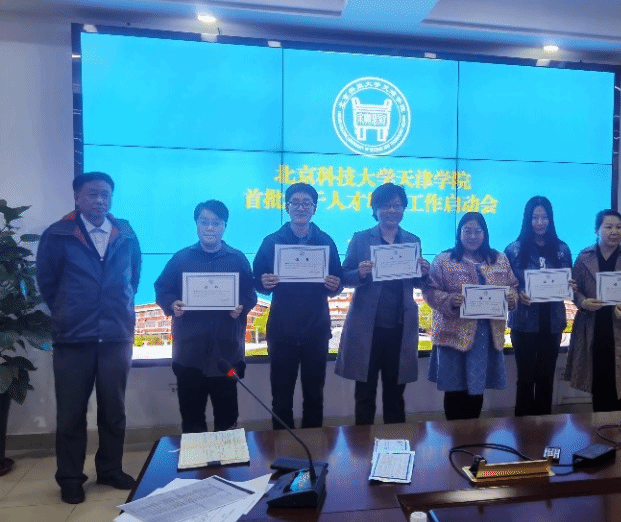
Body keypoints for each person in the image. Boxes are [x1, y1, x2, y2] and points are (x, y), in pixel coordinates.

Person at [36, 171, 142, 504]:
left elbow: (133, 278)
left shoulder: (125, 232)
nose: (99, 200)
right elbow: (47, 283)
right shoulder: (58, 234)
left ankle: (110, 469)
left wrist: (117, 308)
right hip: (73, 338)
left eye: (105, 194)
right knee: (71, 414)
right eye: (92, 194)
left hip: (115, 337)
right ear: (77, 197)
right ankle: (70, 478)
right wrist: (69, 310)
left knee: (114, 410)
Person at [154, 200, 257, 434]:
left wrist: (242, 306)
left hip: (226, 355)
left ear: (224, 226)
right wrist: (172, 303)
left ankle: (229, 458)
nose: (210, 228)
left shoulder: (237, 259)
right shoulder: (181, 258)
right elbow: (162, 289)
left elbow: (250, 294)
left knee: (227, 422)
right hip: (190, 355)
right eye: (204, 222)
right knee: (192, 423)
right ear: (197, 225)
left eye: (216, 223)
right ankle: (195, 459)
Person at [335, 183, 430, 425]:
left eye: (397, 205)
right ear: (375, 209)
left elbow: (417, 282)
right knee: (364, 395)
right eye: (385, 206)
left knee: (395, 396)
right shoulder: (361, 239)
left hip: (400, 328)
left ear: (404, 209)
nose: (391, 211)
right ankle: (363, 444)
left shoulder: (412, 240)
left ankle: (395, 444)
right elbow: (344, 276)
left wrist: (424, 272)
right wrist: (360, 273)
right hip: (367, 328)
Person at [253, 183, 342, 429]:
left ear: (314, 208)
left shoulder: (326, 241)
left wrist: (335, 285)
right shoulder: (272, 242)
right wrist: (263, 282)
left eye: (306, 203)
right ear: (287, 207)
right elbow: (256, 279)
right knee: (281, 398)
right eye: (296, 202)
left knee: (315, 397)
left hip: (316, 330)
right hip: (282, 331)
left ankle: (312, 447)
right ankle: (282, 447)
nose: (301, 207)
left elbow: (338, 280)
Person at [564, 209, 621, 411]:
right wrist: (583, 302)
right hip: (592, 325)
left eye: (618, 227)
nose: (614, 231)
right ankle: (598, 425)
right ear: (597, 230)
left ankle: (618, 425)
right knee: (597, 380)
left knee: (619, 382)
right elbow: (573, 288)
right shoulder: (584, 257)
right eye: (608, 227)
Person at [426, 212, 519, 420]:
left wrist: (512, 297)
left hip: (484, 337)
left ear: (485, 234)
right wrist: (450, 300)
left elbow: (512, 285)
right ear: (459, 233)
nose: (473, 236)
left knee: (477, 390)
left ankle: (472, 434)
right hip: (453, 336)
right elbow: (430, 291)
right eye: (467, 231)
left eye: (478, 231)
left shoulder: (499, 259)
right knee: (454, 392)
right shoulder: (443, 260)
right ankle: (455, 434)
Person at [504, 196, 574, 416]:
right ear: (528, 219)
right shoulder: (514, 249)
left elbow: (569, 282)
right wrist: (518, 294)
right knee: (525, 378)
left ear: (550, 219)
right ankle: (523, 429)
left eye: (544, 217)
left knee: (546, 377)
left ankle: (544, 427)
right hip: (523, 324)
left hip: (552, 323)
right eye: (535, 217)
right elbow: (505, 285)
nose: (540, 222)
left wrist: (570, 286)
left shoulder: (562, 249)